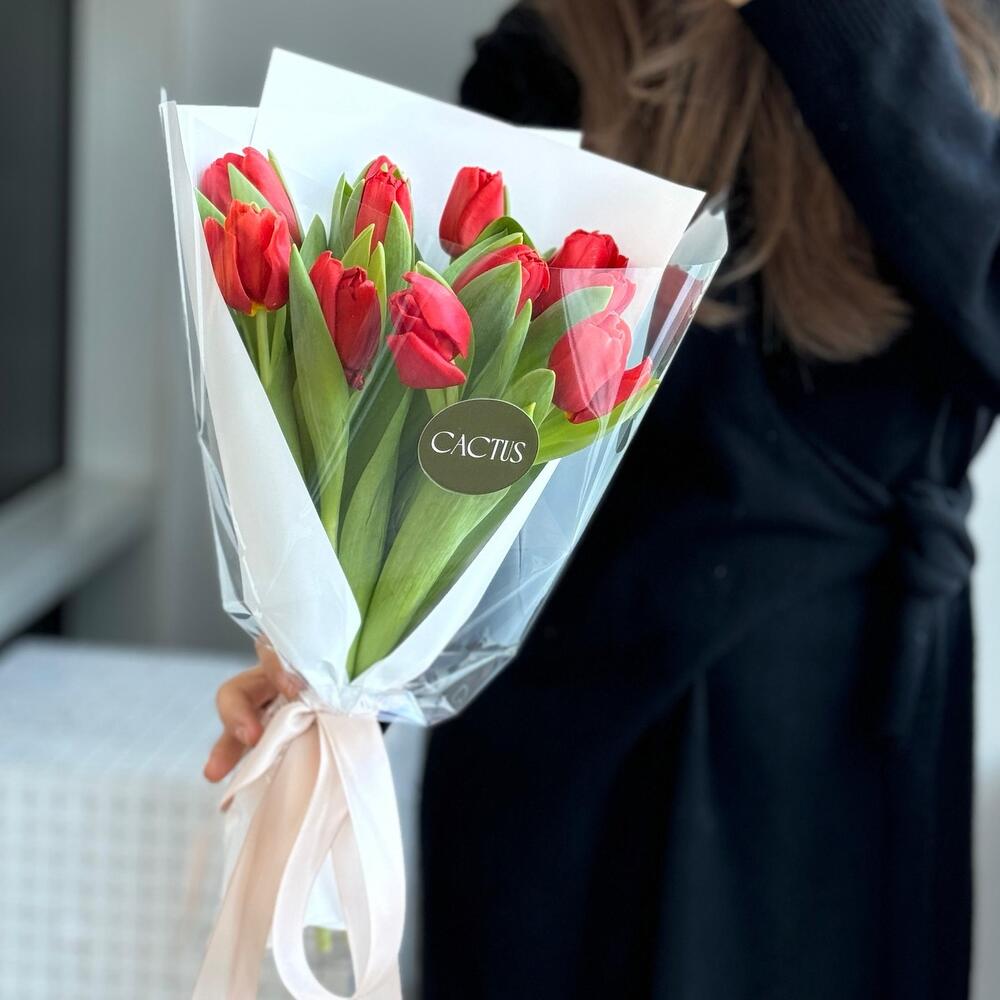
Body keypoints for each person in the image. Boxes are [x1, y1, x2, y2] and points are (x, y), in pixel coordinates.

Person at [209, 1, 1000, 997]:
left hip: (832, 751)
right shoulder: (555, 50)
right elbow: (463, 436)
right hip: (564, 745)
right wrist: (340, 667)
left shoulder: (960, 34)